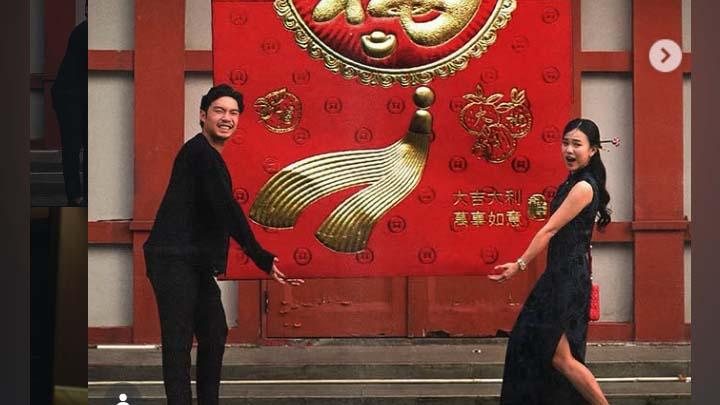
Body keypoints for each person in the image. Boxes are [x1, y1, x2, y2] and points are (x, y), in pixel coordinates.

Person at [143, 84, 303, 405]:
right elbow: (226, 208)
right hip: (172, 259)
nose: (227, 118)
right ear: (203, 116)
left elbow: (216, 210)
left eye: (233, 113)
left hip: (194, 262)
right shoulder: (199, 153)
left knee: (214, 332)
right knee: (178, 341)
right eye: (219, 111)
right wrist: (259, 255)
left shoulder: (209, 155)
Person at [489, 118, 612, 404]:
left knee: (561, 359)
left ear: (593, 150)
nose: (569, 150)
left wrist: (519, 265)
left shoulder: (583, 187)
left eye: (577, 144)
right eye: (565, 143)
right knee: (542, 350)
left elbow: (549, 230)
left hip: (567, 281)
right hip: (558, 276)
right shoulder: (571, 183)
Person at [51, 1, 88, 206]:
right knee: (73, 146)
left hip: (80, 95)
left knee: (85, 145)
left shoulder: (86, 31)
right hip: (69, 96)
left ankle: (83, 195)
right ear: (87, 10)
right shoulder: (83, 32)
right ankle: (75, 196)